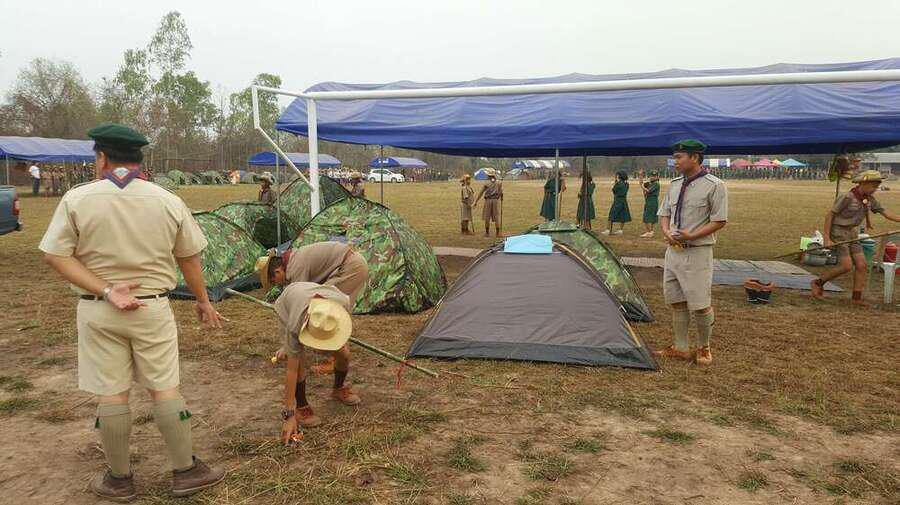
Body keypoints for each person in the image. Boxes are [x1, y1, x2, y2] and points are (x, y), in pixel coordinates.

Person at [39, 123, 225, 501]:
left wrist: (107, 290)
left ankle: (119, 480)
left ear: (101, 157)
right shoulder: (167, 200)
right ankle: (185, 471)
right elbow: (189, 257)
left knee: (111, 394)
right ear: (140, 158)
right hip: (151, 308)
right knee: (165, 388)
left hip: (98, 309)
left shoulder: (77, 199)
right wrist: (203, 301)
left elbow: (55, 255)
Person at [655, 140, 728, 366]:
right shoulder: (674, 184)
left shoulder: (714, 185)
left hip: (697, 253)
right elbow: (664, 213)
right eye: (674, 157)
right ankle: (681, 347)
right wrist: (666, 231)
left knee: (700, 303)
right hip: (673, 252)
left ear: (694, 157)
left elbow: (719, 220)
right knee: (676, 300)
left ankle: (704, 348)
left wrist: (691, 236)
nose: (674, 161)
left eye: (679, 157)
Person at [275, 282, 355, 443]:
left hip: (310, 295)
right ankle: (301, 407)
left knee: (344, 354)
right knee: (298, 363)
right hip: (289, 302)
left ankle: (338, 388)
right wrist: (288, 415)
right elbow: (291, 371)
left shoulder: (343, 304)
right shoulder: (295, 325)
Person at [811, 170, 900, 305]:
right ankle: (818, 283)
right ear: (863, 183)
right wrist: (827, 238)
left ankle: (856, 298)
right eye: (873, 186)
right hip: (839, 231)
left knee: (862, 264)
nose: (875, 189)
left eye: (876, 187)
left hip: (852, 233)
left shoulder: (870, 200)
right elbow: (830, 215)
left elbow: (887, 214)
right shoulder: (847, 197)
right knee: (846, 266)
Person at [473, 168, 503, 237]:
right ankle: (497, 233)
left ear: (489, 175)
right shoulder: (499, 183)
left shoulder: (486, 183)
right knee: (496, 217)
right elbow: (501, 192)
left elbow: (481, 193)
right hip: (495, 201)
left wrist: (476, 201)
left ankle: (487, 233)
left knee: (487, 217)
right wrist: (500, 197)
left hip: (488, 201)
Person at [603, 171, 631, 235]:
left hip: (617, 200)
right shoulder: (626, 184)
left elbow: (614, 190)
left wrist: (615, 183)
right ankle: (621, 230)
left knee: (611, 215)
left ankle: (608, 230)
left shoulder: (618, 183)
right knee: (622, 215)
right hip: (624, 200)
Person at [640, 170, 661, 238]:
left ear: (657, 177)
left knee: (647, 217)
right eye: (651, 176)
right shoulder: (650, 183)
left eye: (654, 176)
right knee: (650, 216)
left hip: (652, 201)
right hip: (649, 200)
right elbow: (642, 183)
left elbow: (648, 190)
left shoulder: (656, 184)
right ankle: (650, 231)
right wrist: (641, 176)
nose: (652, 177)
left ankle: (649, 232)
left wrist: (642, 187)